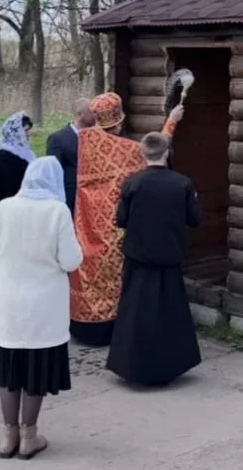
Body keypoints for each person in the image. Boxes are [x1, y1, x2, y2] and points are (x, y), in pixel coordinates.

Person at [0, 156, 82, 460]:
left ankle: (8, 435)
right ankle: (29, 436)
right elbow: (71, 261)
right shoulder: (57, 211)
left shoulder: (4, 207)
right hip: (44, 305)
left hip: (10, 303)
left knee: (10, 371)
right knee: (36, 371)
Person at [70, 92, 183, 346]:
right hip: (114, 226)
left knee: (92, 274)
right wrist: (172, 120)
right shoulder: (119, 148)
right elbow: (153, 151)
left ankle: (84, 325)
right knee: (115, 275)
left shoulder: (86, 141)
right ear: (119, 121)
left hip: (87, 226)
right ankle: (112, 329)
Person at [107, 133, 202, 386]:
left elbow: (121, 220)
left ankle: (130, 367)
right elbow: (194, 219)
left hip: (138, 259)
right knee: (170, 313)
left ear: (142, 153)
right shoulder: (183, 184)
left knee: (135, 313)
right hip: (169, 257)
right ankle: (170, 367)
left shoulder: (132, 183)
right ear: (167, 152)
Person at [47, 98, 95, 214]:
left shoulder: (96, 138)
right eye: (91, 112)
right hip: (69, 196)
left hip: (91, 197)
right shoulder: (58, 139)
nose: (95, 115)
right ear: (80, 115)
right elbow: (53, 170)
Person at [0, 111, 35, 212]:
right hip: (9, 208)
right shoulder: (3, 156)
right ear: (15, 132)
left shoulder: (25, 152)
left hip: (24, 204)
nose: (28, 134)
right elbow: (5, 188)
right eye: (26, 130)